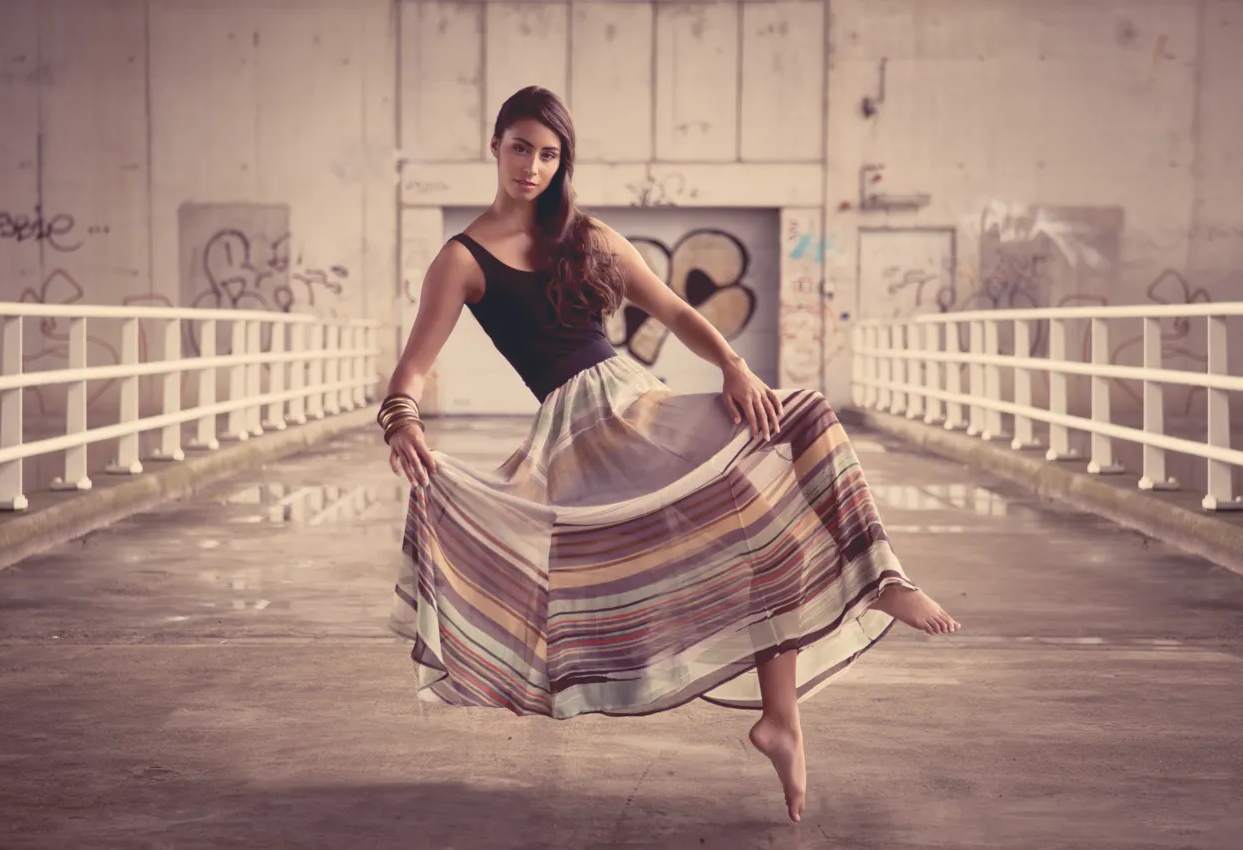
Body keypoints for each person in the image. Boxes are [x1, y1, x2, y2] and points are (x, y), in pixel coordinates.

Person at [383, 85, 960, 823]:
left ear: (563, 163)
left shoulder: (586, 235)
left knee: (786, 469)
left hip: (639, 402)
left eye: (549, 154)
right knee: (757, 518)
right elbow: (410, 371)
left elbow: (678, 311)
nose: (532, 166)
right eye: (520, 148)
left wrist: (734, 367)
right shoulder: (461, 259)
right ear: (494, 146)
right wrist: (402, 423)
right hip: (582, 434)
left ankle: (785, 714)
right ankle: (872, 587)